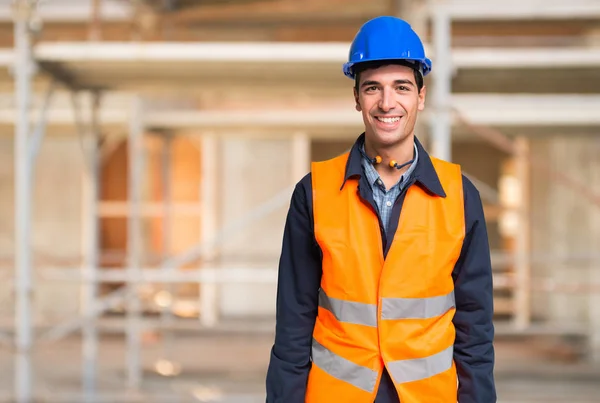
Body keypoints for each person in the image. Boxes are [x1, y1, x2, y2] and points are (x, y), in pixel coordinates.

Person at [265, 15, 496, 403]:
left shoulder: (459, 195)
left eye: (401, 87)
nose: (387, 103)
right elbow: (292, 324)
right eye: (373, 88)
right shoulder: (315, 193)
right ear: (356, 97)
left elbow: (476, 331)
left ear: (420, 97)